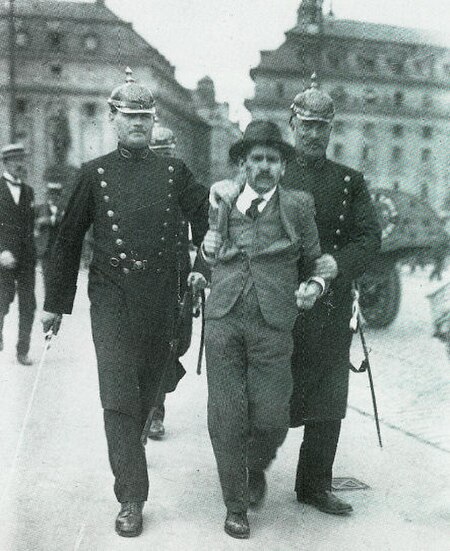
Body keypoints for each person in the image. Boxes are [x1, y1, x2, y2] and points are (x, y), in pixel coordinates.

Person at [41, 68, 211, 538]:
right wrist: (55, 303)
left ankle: (131, 456)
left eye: (145, 116)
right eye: (129, 116)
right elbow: (67, 239)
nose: (138, 123)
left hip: (161, 298)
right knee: (118, 398)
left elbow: (212, 225)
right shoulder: (93, 174)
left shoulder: (175, 173)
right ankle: (132, 497)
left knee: (146, 392)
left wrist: (203, 266)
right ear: (113, 119)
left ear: (153, 121)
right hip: (112, 298)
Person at [200, 120, 326, 539]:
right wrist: (205, 251)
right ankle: (235, 506)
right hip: (224, 319)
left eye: (273, 159)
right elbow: (208, 250)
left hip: (274, 323)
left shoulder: (297, 206)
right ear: (243, 163)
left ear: (283, 166)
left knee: (273, 415)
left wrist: (314, 284)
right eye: (257, 159)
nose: (265, 166)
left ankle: (255, 465)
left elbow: (315, 260)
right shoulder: (224, 199)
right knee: (226, 414)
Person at [286, 76, 381, 515]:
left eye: (321, 126)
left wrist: (338, 263)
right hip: (277, 301)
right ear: (292, 124)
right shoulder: (272, 172)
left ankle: (314, 485)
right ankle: (247, 478)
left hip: (330, 303)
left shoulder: (349, 181)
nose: (313, 133)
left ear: (330, 130)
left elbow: (370, 238)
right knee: (267, 390)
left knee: (327, 396)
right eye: (306, 124)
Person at [0, 143, 36, 365]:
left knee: (28, 305)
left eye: (21, 160)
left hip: (26, 259)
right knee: (2, 301)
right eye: (14, 160)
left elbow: (29, 225)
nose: (19, 164)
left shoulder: (29, 191)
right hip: (2, 258)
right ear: (5, 163)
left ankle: (22, 350)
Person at [35, 182, 65, 291]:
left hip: (60, 247)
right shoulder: (40, 208)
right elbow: (32, 222)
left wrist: (48, 220)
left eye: (56, 194)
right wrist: (39, 222)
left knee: (59, 276)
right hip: (45, 247)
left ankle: (56, 300)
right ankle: (48, 299)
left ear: (60, 195)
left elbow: (66, 222)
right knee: (46, 275)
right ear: (47, 194)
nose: (53, 196)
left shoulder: (64, 209)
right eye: (51, 193)